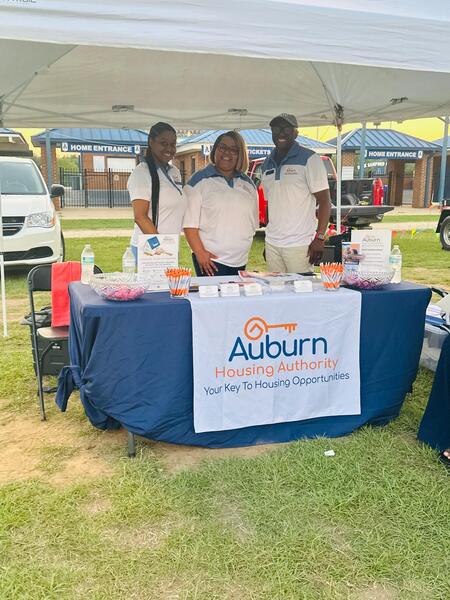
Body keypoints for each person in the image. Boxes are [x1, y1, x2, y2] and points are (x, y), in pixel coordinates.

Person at [261, 113, 331, 273]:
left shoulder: (309, 158)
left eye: (286, 128)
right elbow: (270, 204)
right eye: (277, 128)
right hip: (273, 243)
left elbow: (325, 201)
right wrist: (268, 241)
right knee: (276, 293)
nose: (281, 132)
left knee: (302, 294)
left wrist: (319, 237)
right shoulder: (267, 163)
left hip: (300, 245)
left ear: (296, 133)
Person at [183, 130, 259, 276]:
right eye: (222, 147)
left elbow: (252, 223)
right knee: (213, 298)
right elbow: (189, 225)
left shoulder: (248, 184)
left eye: (233, 149)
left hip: (240, 260)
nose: (227, 153)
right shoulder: (198, 182)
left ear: (241, 154)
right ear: (215, 150)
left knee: (235, 299)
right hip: (211, 261)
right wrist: (200, 253)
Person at [127, 122, 186, 260]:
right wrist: (160, 247)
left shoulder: (174, 172)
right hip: (151, 248)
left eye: (173, 144)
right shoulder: (142, 173)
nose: (169, 149)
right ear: (151, 142)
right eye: (163, 143)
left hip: (169, 247)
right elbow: (140, 217)